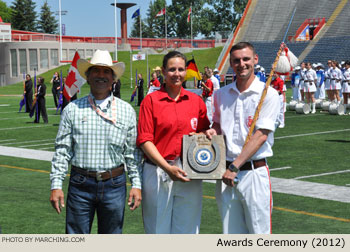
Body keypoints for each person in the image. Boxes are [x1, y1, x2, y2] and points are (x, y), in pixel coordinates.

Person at [49, 50, 142, 234]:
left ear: (113, 79)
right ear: (88, 76)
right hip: (80, 184)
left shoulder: (126, 111)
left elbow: (132, 153)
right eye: (96, 71)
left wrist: (137, 185)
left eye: (106, 71)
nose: (101, 75)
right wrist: (56, 185)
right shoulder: (72, 109)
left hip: (114, 184)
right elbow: (62, 150)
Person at [205, 42, 280, 234]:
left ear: (255, 60)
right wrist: (214, 132)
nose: (242, 64)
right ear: (231, 63)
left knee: (259, 235)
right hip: (226, 174)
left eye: (246, 59)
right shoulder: (221, 94)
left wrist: (234, 166)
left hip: (253, 173)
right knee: (231, 234)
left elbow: (261, 136)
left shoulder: (269, 94)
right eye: (236, 60)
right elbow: (219, 127)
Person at [137, 51, 210, 234]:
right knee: (157, 231)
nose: (176, 74)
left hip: (189, 172)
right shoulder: (150, 101)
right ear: (163, 71)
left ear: (186, 71)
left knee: (188, 230)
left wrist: (205, 134)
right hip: (158, 171)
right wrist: (168, 169)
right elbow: (145, 140)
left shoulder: (196, 101)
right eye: (171, 69)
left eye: (180, 69)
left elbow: (204, 131)